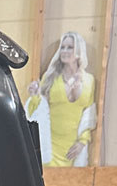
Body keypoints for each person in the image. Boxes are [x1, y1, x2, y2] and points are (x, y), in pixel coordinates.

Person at [26, 32, 96, 167]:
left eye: (69, 47)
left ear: (79, 51)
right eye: (62, 47)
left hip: (73, 149)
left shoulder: (89, 81)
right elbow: (37, 110)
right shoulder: (50, 77)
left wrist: (82, 142)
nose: (64, 51)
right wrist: (34, 95)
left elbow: (89, 115)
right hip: (50, 147)